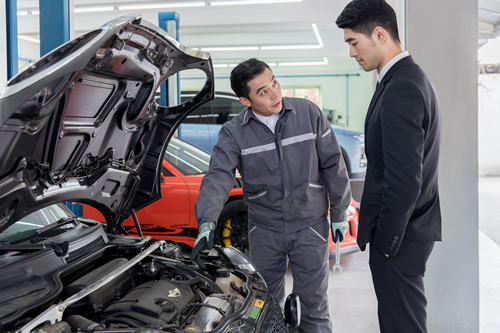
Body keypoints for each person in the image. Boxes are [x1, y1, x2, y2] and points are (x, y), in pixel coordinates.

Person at [193, 58, 351, 333]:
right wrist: (207, 219)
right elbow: (219, 175)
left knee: (313, 306)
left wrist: (339, 211)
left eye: (274, 82)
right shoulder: (233, 133)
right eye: (262, 91)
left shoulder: (307, 113)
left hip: (309, 226)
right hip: (265, 231)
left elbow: (333, 164)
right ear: (245, 100)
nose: (275, 94)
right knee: (265, 305)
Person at [336, 1, 442, 332]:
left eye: (354, 42)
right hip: (410, 229)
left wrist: (388, 243)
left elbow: (405, 179)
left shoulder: (402, 88)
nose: (352, 52)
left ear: (379, 34)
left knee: (403, 325)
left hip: (401, 237)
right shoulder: (405, 79)